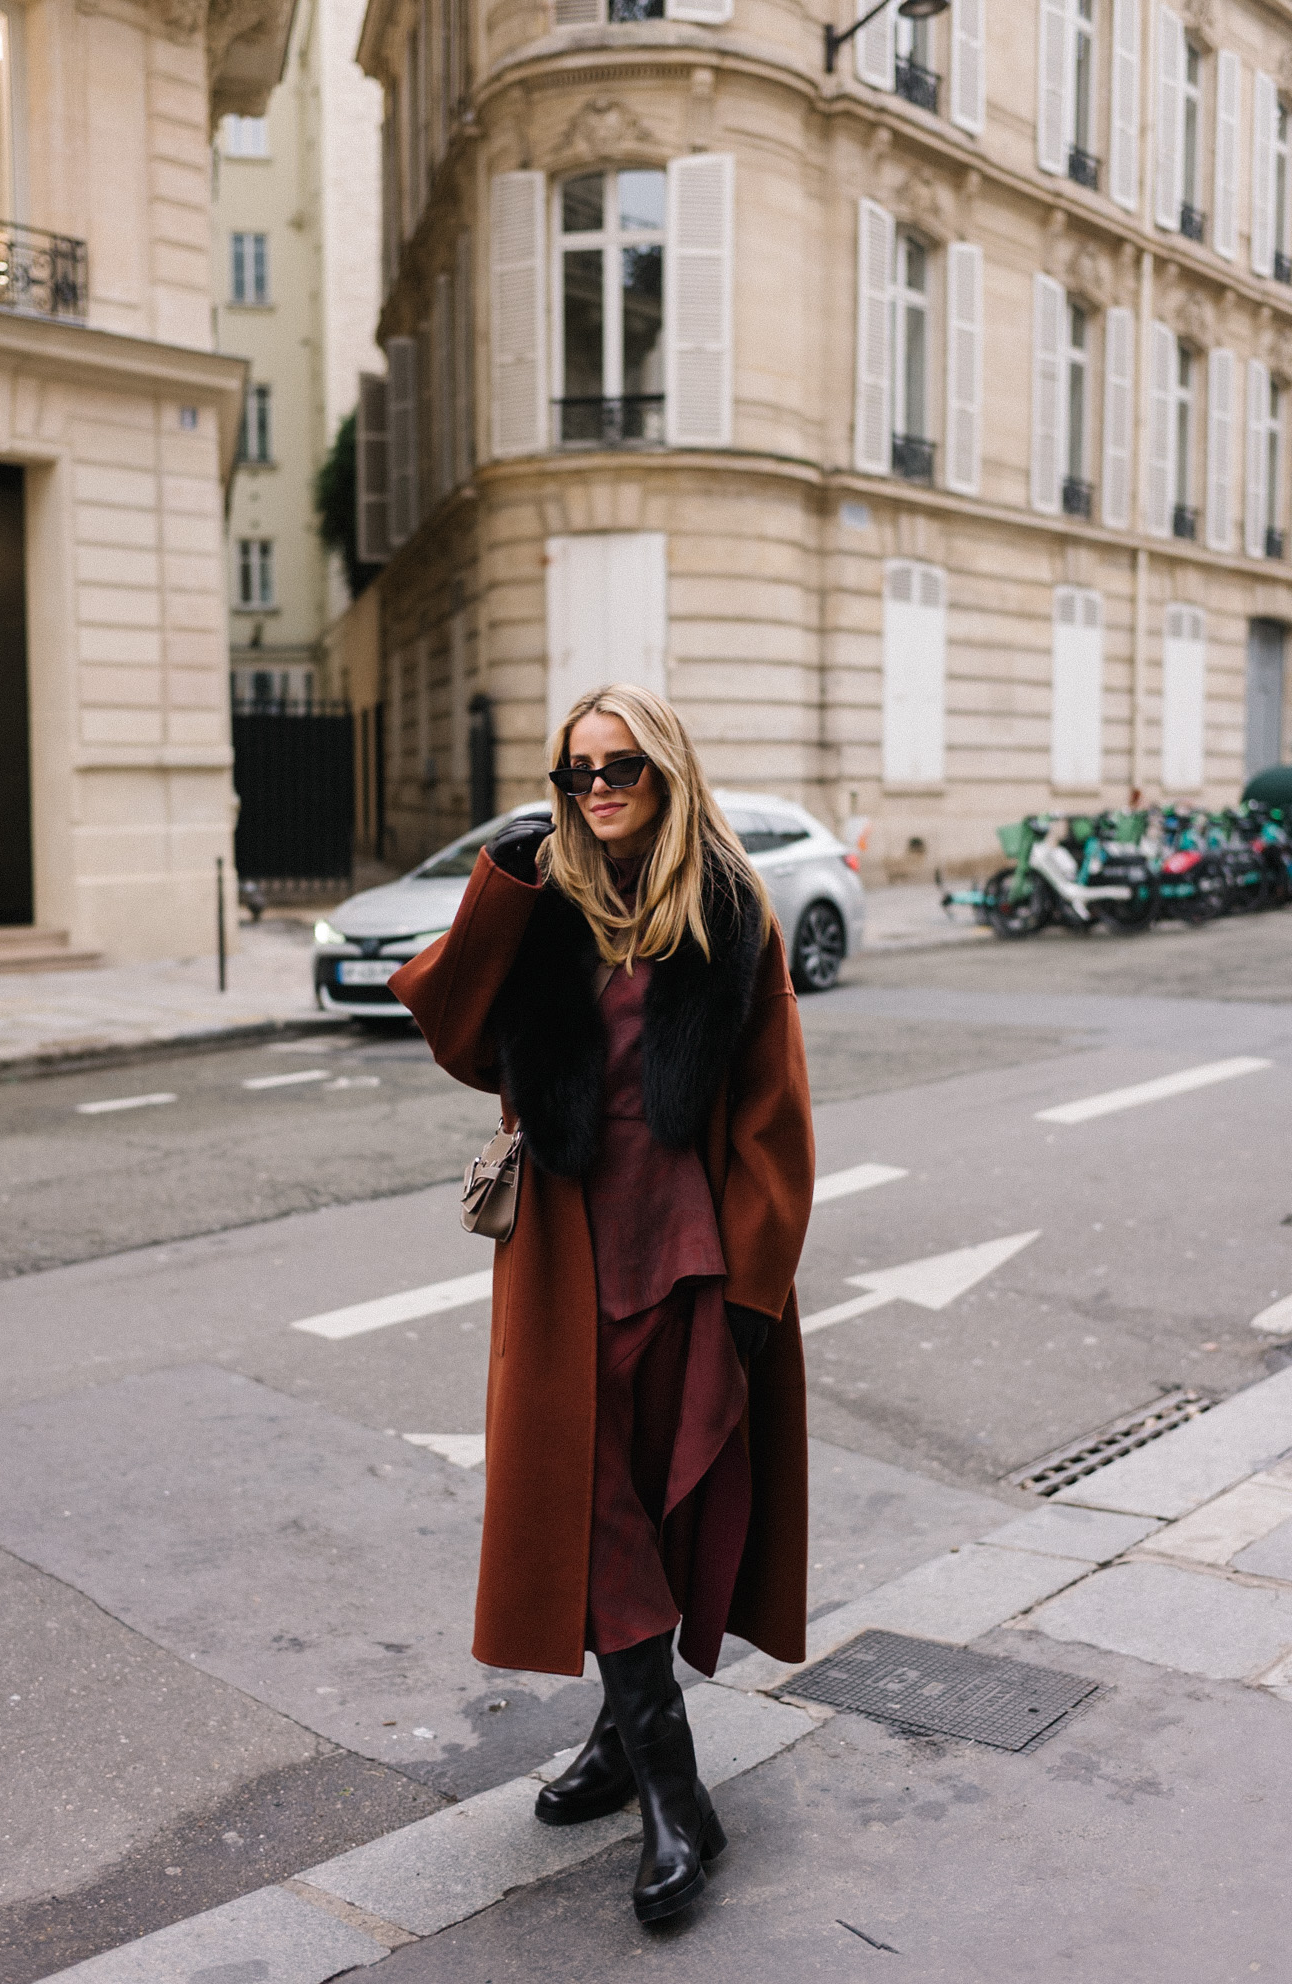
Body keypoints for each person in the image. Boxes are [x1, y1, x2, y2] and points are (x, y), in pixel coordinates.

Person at [389, 683, 814, 1925]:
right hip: (565, 1263)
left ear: (665, 772)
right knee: (590, 1508)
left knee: (649, 1500)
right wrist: (498, 888)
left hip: (687, 1259)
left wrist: (754, 1286)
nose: (596, 789)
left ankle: (626, 1747)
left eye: (619, 766)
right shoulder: (542, 908)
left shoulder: (729, 915)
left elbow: (773, 1119)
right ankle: (678, 1797)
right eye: (575, 772)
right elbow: (458, 1034)